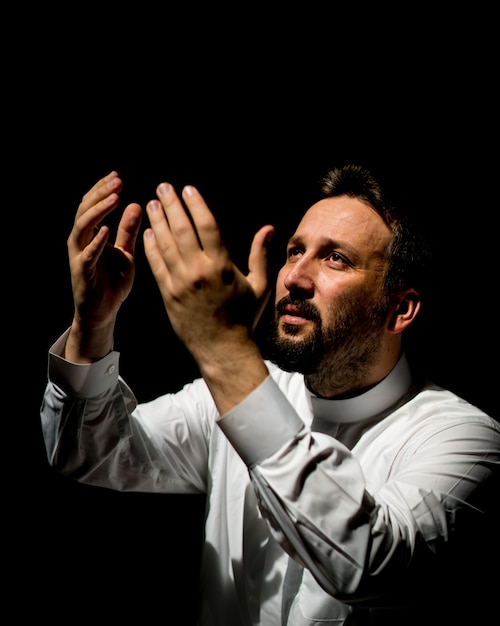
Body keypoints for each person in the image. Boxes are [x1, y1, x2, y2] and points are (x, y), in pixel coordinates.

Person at [40, 164, 500, 625]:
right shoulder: (223, 397)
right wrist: (92, 325)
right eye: (294, 251)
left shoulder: (465, 437)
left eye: (335, 258)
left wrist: (224, 351)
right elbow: (88, 452)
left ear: (400, 308)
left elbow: (370, 564)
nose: (295, 278)